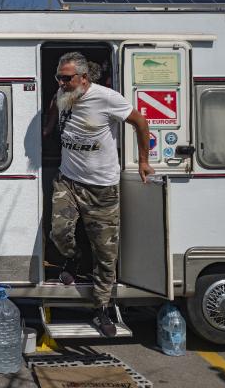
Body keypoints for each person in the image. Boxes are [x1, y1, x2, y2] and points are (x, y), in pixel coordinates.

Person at [43, 52, 154, 337]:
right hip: (68, 181)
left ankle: (102, 308)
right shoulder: (63, 93)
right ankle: (74, 259)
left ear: (83, 78)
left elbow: (141, 123)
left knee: (106, 253)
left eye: (66, 78)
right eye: (59, 77)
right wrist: (47, 127)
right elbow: (55, 105)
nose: (61, 82)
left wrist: (143, 160)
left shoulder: (107, 98)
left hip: (102, 188)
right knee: (58, 231)